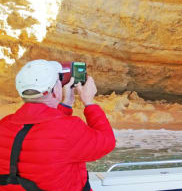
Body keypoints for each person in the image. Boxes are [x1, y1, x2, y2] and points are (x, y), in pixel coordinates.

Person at [0, 59, 116, 190]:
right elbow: (107, 141)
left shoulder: (4, 125)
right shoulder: (68, 129)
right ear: (55, 90)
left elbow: (46, 134)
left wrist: (65, 106)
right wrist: (89, 103)